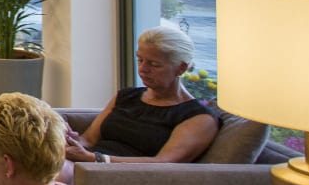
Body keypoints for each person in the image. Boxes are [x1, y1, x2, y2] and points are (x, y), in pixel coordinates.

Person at [64, 24, 217, 167]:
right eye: (140, 60)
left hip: (121, 176)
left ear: (181, 68)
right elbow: (88, 140)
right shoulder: (126, 96)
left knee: (55, 172)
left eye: (154, 64)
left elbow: (164, 163)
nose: (143, 69)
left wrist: (93, 158)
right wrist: (69, 139)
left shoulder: (198, 118)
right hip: (84, 165)